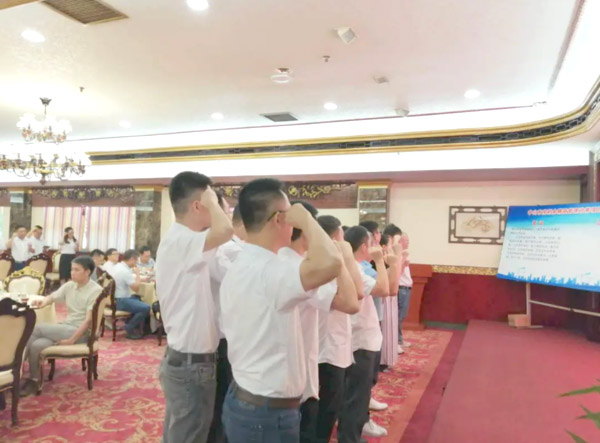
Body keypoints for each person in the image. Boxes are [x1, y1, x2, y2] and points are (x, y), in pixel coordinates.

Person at [220, 178, 341, 443]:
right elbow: (331, 263)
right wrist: (307, 220)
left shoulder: (245, 262)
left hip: (248, 398)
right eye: (290, 216)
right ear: (278, 219)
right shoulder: (271, 270)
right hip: (265, 414)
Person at [156, 171, 233, 443]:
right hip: (191, 362)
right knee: (189, 436)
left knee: (183, 433)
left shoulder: (187, 240)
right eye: (211, 201)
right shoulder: (182, 241)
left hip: (188, 360)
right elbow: (226, 231)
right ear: (198, 205)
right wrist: (213, 201)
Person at [278, 203, 360, 443]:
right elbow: (351, 302)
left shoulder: (281, 262)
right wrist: (341, 257)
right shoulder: (301, 268)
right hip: (300, 376)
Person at [338, 225, 393, 442]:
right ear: (363, 246)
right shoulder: (353, 268)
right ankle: (349, 438)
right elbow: (384, 289)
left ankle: (354, 434)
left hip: (364, 338)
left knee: (359, 396)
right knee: (356, 397)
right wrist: (380, 261)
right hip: (359, 340)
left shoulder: (355, 266)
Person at [20, 255, 102, 396]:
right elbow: (53, 297)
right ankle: (34, 380)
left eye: (76, 270)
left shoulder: (95, 290)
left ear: (87, 272)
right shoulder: (70, 285)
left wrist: (72, 340)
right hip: (66, 327)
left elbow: (88, 321)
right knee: (37, 345)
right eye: (71, 269)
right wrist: (43, 302)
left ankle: (16, 369)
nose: (72, 273)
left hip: (82, 332)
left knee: (36, 328)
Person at [314, 215, 364, 443]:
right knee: (323, 414)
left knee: (330, 410)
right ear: (335, 239)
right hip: (325, 351)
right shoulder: (323, 266)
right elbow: (356, 297)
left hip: (335, 348)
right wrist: (345, 258)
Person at [208, 200, 243, 443]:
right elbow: (243, 283)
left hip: (229, 336)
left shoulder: (234, 248)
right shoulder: (227, 249)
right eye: (225, 212)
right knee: (220, 403)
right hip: (222, 337)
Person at [384, 224, 412, 352]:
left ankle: (397, 340)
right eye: (403, 239)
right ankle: (395, 341)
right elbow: (396, 274)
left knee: (400, 316)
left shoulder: (400, 253)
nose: (407, 242)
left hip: (404, 287)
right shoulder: (392, 253)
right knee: (396, 316)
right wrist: (403, 259)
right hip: (399, 287)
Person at [111, 249, 150, 340]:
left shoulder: (117, 266)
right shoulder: (125, 271)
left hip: (115, 298)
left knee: (138, 298)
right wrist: (137, 274)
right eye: (136, 260)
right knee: (146, 307)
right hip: (121, 300)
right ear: (132, 259)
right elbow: (136, 288)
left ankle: (139, 327)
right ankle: (129, 327)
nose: (136, 263)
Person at [378, 233, 403, 368]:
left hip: (389, 298)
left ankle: (387, 359)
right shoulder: (379, 262)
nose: (392, 247)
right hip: (384, 297)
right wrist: (397, 258)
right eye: (390, 244)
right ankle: (382, 361)